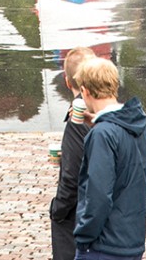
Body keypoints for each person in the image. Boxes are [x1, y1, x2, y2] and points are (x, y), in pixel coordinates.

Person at [73, 57, 146, 260]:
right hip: (132, 239)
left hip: (104, 245)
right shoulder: (138, 126)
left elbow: (99, 194)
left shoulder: (102, 135)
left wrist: (83, 235)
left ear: (85, 91)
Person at [49, 47, 98, 260]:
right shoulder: (107, 111)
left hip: (80, 213)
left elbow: (72, 176)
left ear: (68, 82)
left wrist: (58, 210)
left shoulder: (78, 120)